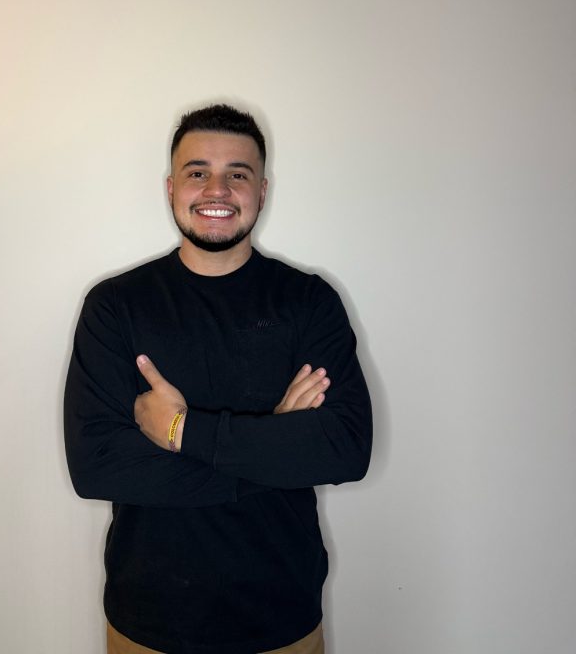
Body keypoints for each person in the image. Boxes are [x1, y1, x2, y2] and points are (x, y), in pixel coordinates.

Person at [64, 104, 372, 654]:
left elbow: (345, 450)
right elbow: (97, 467)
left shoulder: (309, 302)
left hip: (282, 616)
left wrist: (182, 431)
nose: (217, 190)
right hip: (148, 620)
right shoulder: (115, 307)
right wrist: (274, 443)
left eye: (238, 174)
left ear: (262, 190)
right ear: (171, 188)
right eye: (197, 172)